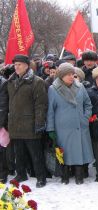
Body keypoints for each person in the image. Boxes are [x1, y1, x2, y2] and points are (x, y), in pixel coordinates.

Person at [46, 63, 94, 185]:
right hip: (62, 127)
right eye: (68, 74)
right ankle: (65, 177)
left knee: (79, 151)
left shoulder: (80, 87)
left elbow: (88, 104)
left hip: (79, 124)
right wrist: (50, 129)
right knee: (64, 152)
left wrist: (85, 117)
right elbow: (50, 111)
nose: (71, 76)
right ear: (61, 75)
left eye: (72, 74)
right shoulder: (53, 89)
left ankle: (79, 176)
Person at [7, 54, 48, 188]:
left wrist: (39, 122)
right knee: (19, 153)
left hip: (30, 124)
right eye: (15, 64)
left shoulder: (37, 81)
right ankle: (21, 174)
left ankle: (41, 177)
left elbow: (41, 104)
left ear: (26, 65)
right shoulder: (11, 81)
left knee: (36, 153)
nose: (16, 67)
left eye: (19, 64)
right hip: (15, 123)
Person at [0, 75, 8, 183]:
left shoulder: (2, 82)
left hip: (1, 122)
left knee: (1, 150)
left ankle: (2, 174)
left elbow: (3, 105)